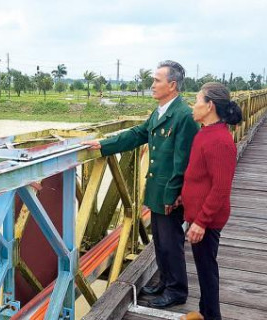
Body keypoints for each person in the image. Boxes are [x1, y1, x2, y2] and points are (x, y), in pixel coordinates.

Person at [82, 60, 199, 308]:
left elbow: (184, 161)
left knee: (171, 242)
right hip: (156, 190)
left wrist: (173, 194)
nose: (152, 84)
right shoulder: (160, 111)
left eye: (157, 80)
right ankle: (164, 283)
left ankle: (177, 291)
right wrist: (104, 145)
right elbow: (137, 135)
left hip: (169, 193)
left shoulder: (184, 116)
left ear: (172, 84)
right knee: (160, 240)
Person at [182, 82, 242, 320]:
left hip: (207, 219)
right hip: (197, 215)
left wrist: (201, 222)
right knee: (203, 267)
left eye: (197, 101)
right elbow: (199, 176)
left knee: (207, 270)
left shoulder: (219, 140)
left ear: (209, 106)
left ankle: (212, 315)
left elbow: (221, 188)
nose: (193, 106)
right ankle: (205, 312)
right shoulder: (206, 133)